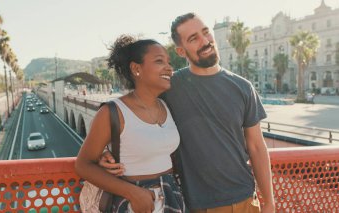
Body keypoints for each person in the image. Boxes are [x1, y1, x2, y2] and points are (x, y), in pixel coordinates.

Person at [101, 13, 275, 213]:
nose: (205, 41)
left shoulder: (243, 87)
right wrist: (106, 151)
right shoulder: (168, 87)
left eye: (206, 32)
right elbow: (131, 113)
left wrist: (269, 202)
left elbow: (256, 147)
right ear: (181, 51)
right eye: (194, 38)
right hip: (198, 205)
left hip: (246, 200)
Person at [75, 35, 185, 213]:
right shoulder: (113, 111)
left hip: (170, 195)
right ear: (136, 68)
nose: (169, 68)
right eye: (159, 61)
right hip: (134, 202)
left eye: (169, 62)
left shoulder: (166, 106)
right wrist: (134, 193)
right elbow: (83, 165)